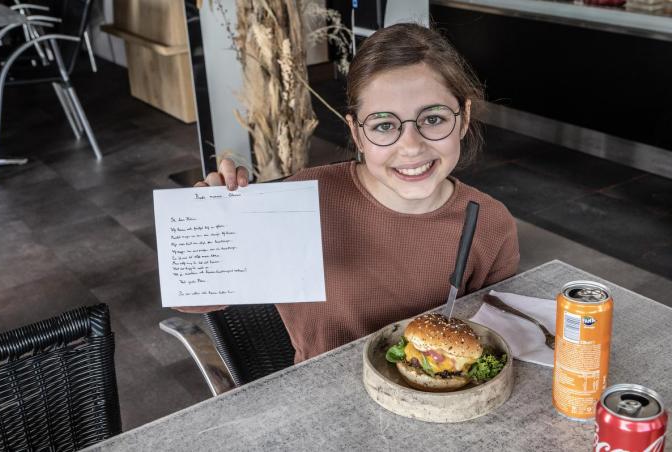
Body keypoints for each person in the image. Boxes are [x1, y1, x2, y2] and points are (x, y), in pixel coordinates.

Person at [178, 23, 519, 364]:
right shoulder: (300, 202)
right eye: (384, 125)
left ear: (463, 118)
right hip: (326, 399)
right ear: (356, 133)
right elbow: (192, 300)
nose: (412, 147)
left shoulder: (491, 223)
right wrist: (211, 228)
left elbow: (492, 347)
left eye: (433, 118)